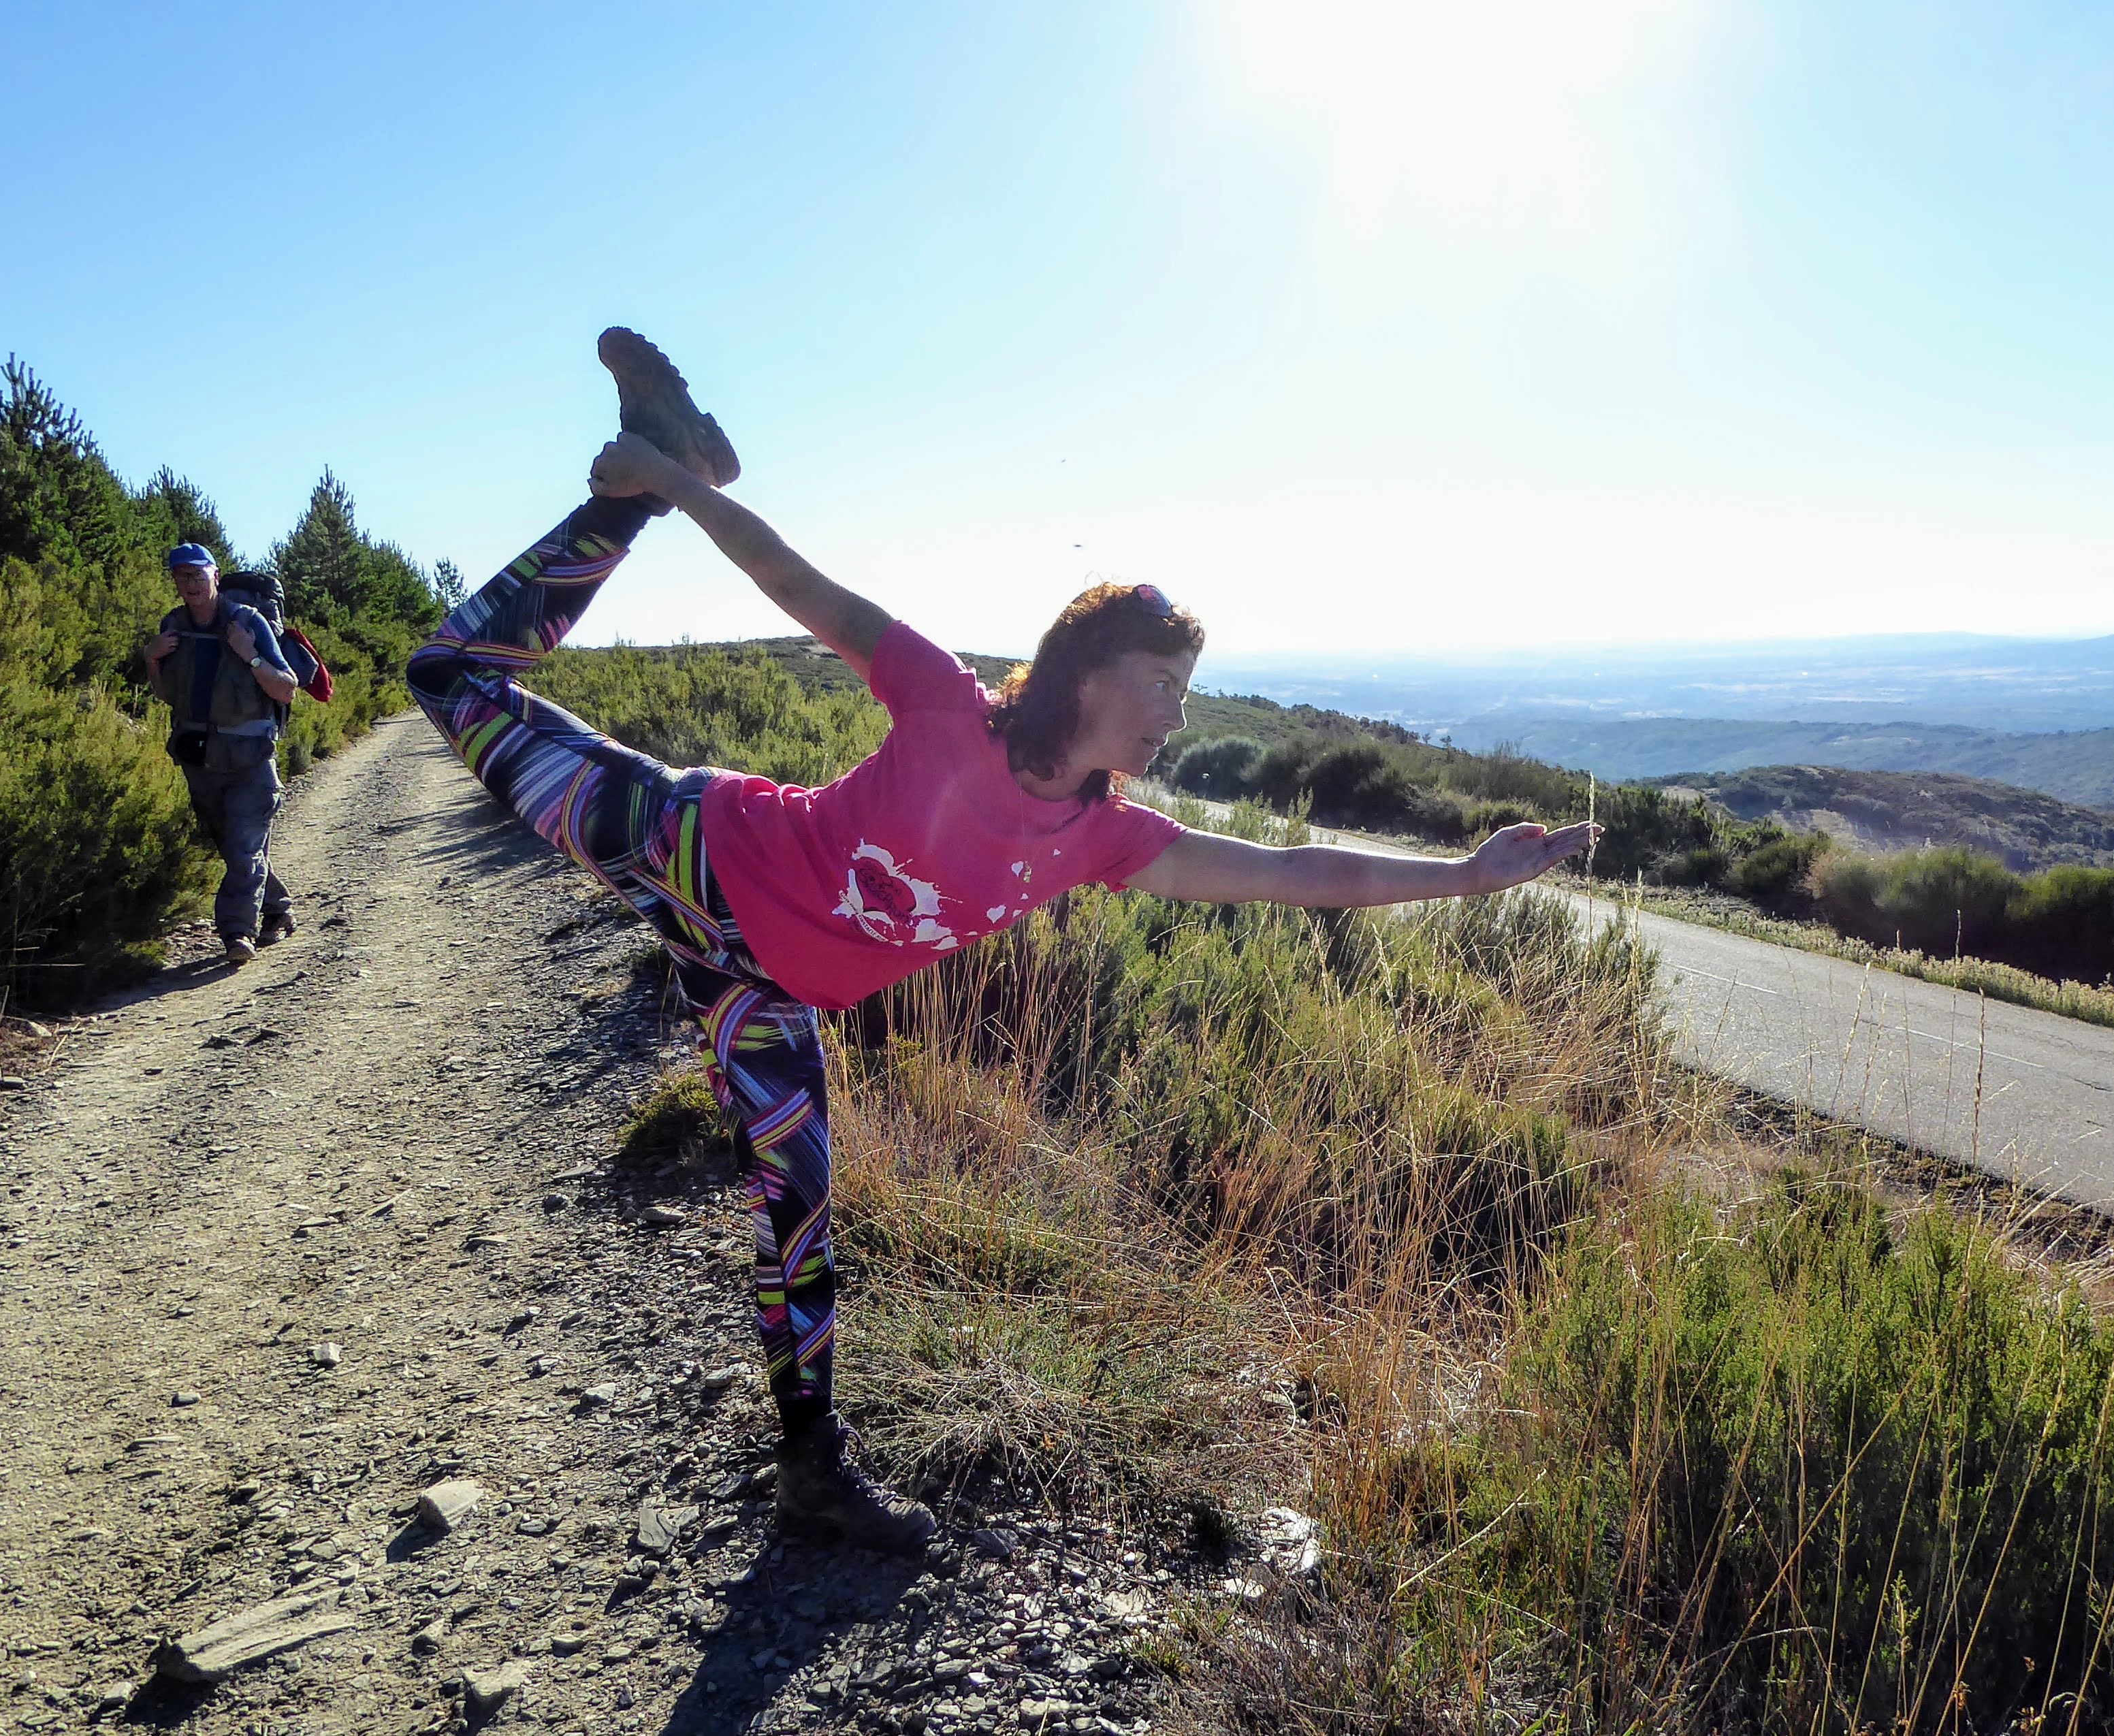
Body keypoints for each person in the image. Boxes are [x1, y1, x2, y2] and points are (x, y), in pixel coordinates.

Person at [406, 329, 1601, 1555]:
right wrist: (675, 491)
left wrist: (1461, 879)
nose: (1175, 717)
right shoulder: (944, 702)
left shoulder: (1105, 839)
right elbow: (795, 585)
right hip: (687, 846)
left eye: (1186, 694)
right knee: (448, 673)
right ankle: (643, 468)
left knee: (798, 1210)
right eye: (1161, 686)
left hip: (758, 985)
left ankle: (813, 1471)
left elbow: (1298, 872)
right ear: (1085, 672)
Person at [146, 543, 301, 966]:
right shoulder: (173, 626)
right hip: (199, 758)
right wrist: (152, 660)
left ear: (216, 577)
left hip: (251, 756)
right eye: (182, 576)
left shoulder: (247, 622)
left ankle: (237, 933)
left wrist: (248, 654)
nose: (190, 583)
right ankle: (278, 908)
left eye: (198, 575)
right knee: (233, 848)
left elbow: (286, 688)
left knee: (246, 845)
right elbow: (167, 697)